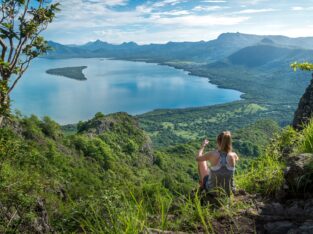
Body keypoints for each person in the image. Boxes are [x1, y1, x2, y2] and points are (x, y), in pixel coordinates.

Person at [196, 131, 239, 196]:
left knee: (202, 162)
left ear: (218, 142)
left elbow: (198, 158)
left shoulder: (212, 154)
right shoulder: (234, 155)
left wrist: (203, 146)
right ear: (229, 142)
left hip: (213, 191)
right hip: (230, 191)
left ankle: (202, 186)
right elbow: (235, 160)